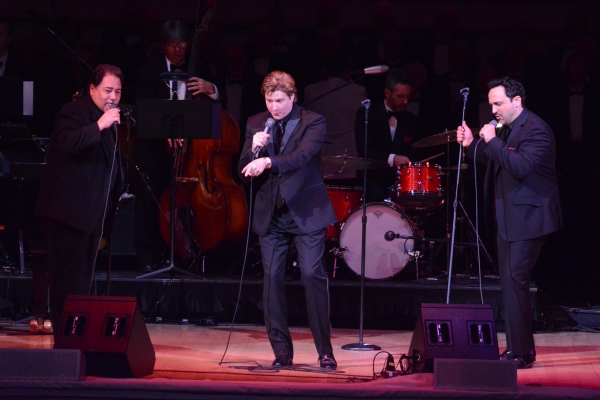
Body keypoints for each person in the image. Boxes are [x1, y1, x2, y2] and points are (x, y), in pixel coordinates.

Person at [456, 76, 562, 369]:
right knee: (509, 282)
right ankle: (517, 348)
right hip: (508, 217)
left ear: (517, 101)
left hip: (530, 217)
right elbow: (495, 161)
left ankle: (522, 353)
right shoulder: (506, 129)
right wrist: (471, 144)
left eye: (498, 103)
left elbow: (521, 166)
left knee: (516, 278)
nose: (493, 110)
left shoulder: (536, 129)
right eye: (491, 104)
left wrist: (488, 139)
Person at [238, 71, 338, 369]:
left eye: (280, 101)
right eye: (270, 101)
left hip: (305, 211)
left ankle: (325, 350)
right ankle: (281, 351)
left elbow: (301, 156)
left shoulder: (313, 121)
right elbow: (243, 168)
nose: (274, 107)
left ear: (293, 97)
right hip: (271, 213)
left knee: (311, 274)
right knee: (272, 279)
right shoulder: (256, 122)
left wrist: (268, 160)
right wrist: (252, 149)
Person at [35, 64, 124, 337]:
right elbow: (67, 143)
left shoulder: (110, 121)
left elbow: (112, 166)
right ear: (92, 89)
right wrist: (99, 125)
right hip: (66, 215)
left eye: (118, 92)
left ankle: (79, 335)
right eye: (108, 90)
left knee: (83, 281)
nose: (113, 97)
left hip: (91, 216)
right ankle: (65, 340)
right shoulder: (73, 112)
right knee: (66, 283)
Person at [134, 20, 220, 272]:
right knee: (151, 204)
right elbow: (144, 108)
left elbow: (217, 109)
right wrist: (166, 131)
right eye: (172, 44)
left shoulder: (201, 68)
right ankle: (148, 258)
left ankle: (191, 254)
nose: (178, 49)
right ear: (164, 46)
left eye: (182, 43)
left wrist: (211, 88)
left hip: (193, 156)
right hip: (156, 153)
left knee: (189, 206)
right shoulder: (149, 72)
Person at [354, 69, 419, 203]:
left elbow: (415, 152)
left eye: (408, 96)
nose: (406, 101)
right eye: (401, 96)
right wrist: (392, 158)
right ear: (387, 93)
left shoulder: (412, 120)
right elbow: (364, 151)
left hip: (400, 183)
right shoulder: (367, 114)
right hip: (372, 181)